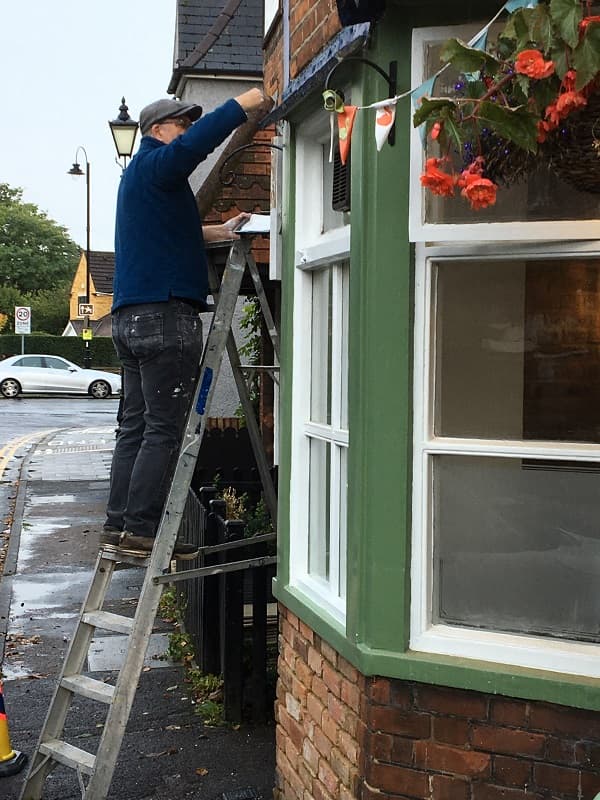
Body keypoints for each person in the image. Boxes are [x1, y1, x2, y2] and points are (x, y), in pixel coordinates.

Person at [101, 88, 271, 559]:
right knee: (163, 429)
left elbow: (170, 231)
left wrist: (218, 231)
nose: (188, 132)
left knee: (134, 427)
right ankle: (143, 532)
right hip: (163, 316)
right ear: (158, 131)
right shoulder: (158, 162)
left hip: (130, 319)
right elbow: (194, 148)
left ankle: (118, 527)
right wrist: (245, 103)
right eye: (182, 124)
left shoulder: (140, 179)